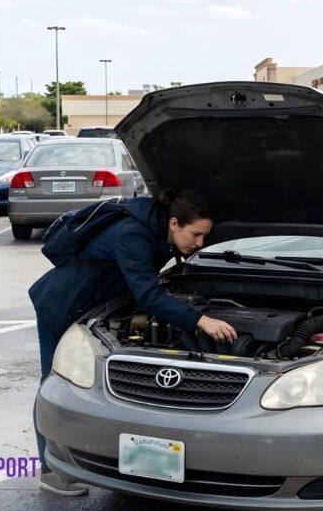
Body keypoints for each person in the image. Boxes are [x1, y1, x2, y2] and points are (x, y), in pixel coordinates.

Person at [28, 190, 238, 495]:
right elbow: (149, 295)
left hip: (95, 303)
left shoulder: (158, 229)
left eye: (204, 236)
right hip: (62, 304)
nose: (200, 243)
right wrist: (201, 320)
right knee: (52, 381)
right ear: (174, 223)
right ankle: (50, 470)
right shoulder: (133, 234)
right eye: (196, 234)